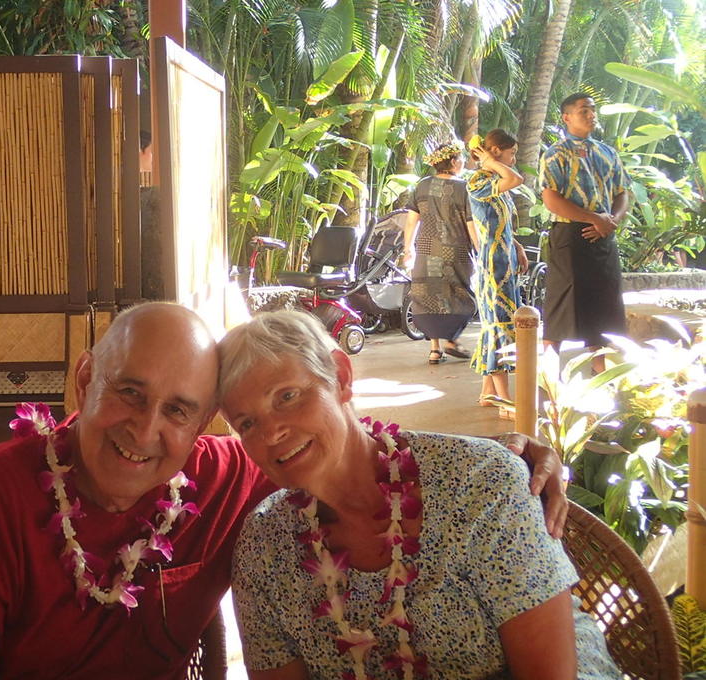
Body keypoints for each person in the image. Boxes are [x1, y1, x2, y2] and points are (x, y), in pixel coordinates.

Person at [0, 303, 565, 679]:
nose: (144, 431)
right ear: (84, 382)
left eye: (178, 410)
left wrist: (503, 455)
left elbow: (332, 446)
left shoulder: (223, 474)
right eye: (127, 394)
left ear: (202, 426)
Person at [220, 310, 621, 680]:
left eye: (287, 396)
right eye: (247, 422)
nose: (271, 433)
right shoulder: (265, 546)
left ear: (341, 377)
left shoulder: (478, 484)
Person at [540, 93, 630, 375]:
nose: (591, 115)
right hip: (570, 237)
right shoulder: (555, 153)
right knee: (561, 304)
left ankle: (600, 374)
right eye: (584, 111)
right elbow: (551, 199)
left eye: (593, 110)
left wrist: (611, 220)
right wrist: (593, 218)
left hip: (604, 235)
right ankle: (547, 378)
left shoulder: (608, 153)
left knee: (605, 304)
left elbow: (622, 192)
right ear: (567, 118)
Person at [466, 129, 529, 413]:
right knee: (499, 323)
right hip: (492, 262)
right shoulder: (479, 179)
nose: (514, 158)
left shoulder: (494, 179)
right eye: (511, 153)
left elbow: (498, 221)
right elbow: (516, 179)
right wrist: (487, 162)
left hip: (505, 258)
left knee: (500, 321)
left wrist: (517, 246)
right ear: (495, 151)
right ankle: (504, 399)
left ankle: (488, 393)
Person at [403, 141, 479, 365]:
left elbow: (411, 220)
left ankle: (435, 349)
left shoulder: (422, 185)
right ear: (453, 162)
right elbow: (471, 222)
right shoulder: (464, 187)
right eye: (461, 158)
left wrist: (407, 249)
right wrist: (481, 249)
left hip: (426, 249)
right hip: (455, 250)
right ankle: (452, 340)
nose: (464, 162)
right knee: (459, 295)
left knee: (429, 296)